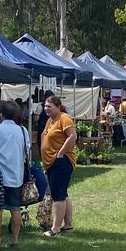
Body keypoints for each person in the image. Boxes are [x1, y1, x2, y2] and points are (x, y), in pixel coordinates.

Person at [0, 102, 31, 250]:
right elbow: (26, 149)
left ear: (1, 114)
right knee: (15, 208)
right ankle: (15, 240)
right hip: (16, 175)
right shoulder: (22, 131)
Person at [40, 95, 77, 237]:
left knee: (58, 196)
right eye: (45, 106)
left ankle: (55, 228)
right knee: (63, 193)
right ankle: (68, 226)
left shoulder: (64, 118)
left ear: (58, 106)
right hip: (51, 163)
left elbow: (72, 136)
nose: (46, 109)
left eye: (49, 106)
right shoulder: (50, 120)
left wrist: (61, 153)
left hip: (61, 162)